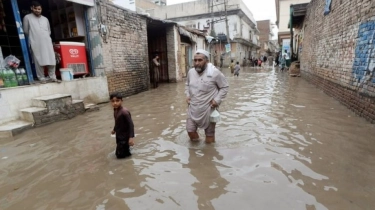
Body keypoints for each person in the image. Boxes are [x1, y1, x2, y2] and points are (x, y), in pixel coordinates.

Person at [185, 49, 229, 143]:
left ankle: (208, 154)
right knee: (190, 131)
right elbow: (187, 85)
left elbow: (224, 87)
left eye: (200, 60)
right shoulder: (191, 72)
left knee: (209, 137)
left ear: (207, 61)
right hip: (193, 108)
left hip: (208, 109)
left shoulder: (215, 73)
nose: (197, 63)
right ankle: (197, 148)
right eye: (195, 60)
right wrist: (188, 95)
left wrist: (217, 100)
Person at [23, 1, 60, 84]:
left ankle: (53, 77)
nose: (37, 10)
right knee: (38, 60)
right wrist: (36, 36)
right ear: (31, 8)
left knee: (51, 59)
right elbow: (26, 31)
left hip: (47, 42)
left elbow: (49, 31)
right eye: (35, 8)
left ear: (41, 9)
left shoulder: (45, 19)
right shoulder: (27, 17)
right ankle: (42, 78)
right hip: (35, 42)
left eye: (39, 9)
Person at [110, 92, 135, 159]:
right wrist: (114, 129)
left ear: (121, 101)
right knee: (124, 153)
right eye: (113, 101)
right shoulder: (115, 109)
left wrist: (131, 137)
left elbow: (131, 125)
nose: (115, 103)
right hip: (119, 135)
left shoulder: (124, 112)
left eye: (117, 101)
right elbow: (117, 121)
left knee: (119, 156)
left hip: (124, 137)